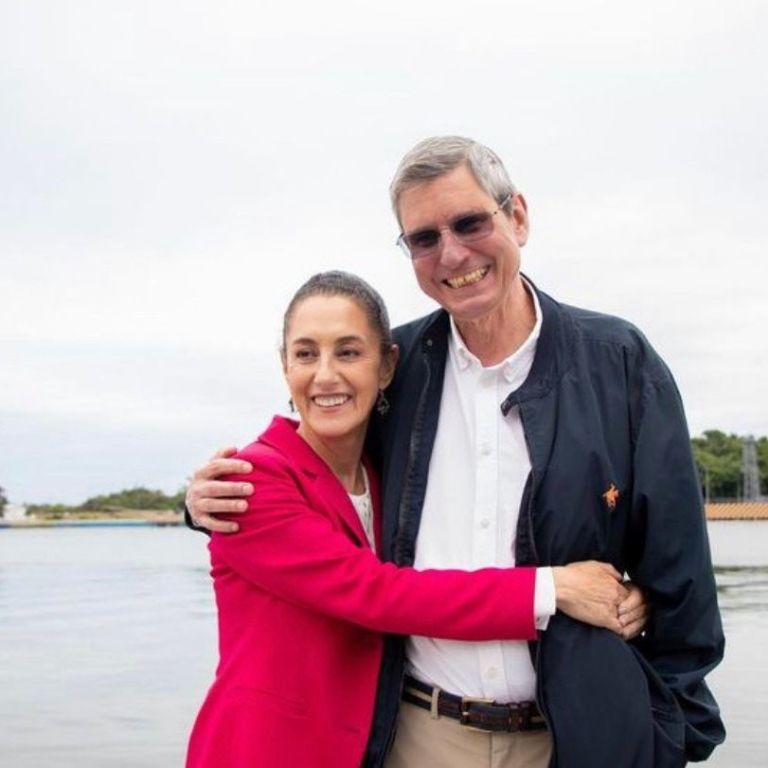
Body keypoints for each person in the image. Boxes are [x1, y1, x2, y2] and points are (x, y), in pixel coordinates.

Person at [187, 136, 724, 768]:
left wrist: (674, 736)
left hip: (576, 738)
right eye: (424, 238)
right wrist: (199, 501)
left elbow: (680, 571)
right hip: (419, 735)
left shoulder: (619, 362)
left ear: (517, 216)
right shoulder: (398, 368)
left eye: (470, 222)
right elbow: (316, 459)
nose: (452, 253)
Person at [186, 271, 640, 768]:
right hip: (266, 751)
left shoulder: (382, 473)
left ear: (387, 366)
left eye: (349, 351)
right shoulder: (254, 480)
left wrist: (626, 595)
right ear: (284, 365)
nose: (325, 375)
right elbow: (377, 593)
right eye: (305, 353)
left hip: (368, 746)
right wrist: (555, 590)